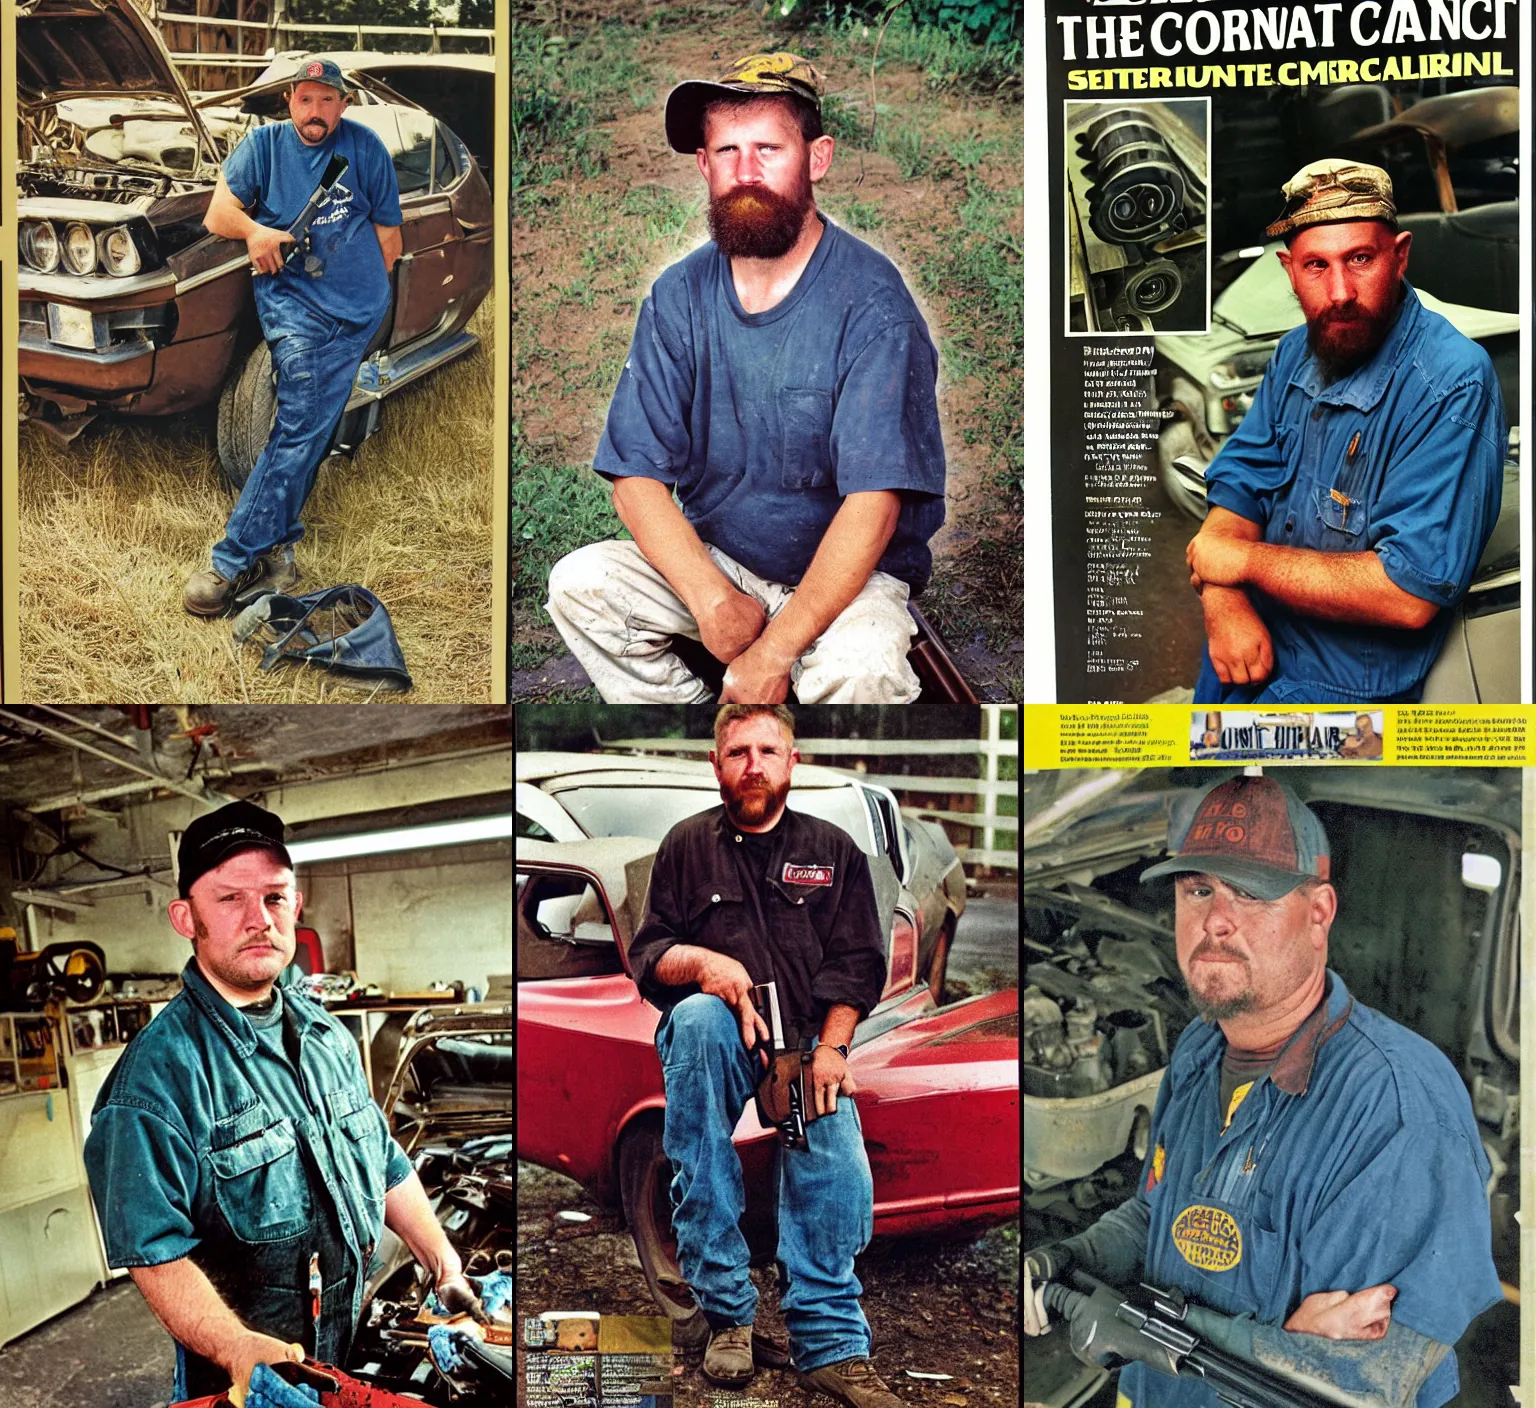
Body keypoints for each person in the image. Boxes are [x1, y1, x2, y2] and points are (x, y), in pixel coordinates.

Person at [1023, 775, 1503, 1408]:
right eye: (1198, 890)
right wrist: (1067, 1259)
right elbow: (1157, 1214)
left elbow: (1377, 1377)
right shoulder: (1200, 1049)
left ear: (1319, 914)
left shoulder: (1394, 1107)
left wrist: (1145, 1332)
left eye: (1252, 893)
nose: (1216, 921)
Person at [545, 53, 947, 704]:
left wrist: (777, 649)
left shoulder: (873, 306)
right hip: (724, 561)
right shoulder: (677, 297)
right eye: (727, 151)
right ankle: (701, 722)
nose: (746, 172)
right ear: (704, 166)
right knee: (581, 585)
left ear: (817, 159)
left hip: (849, 575)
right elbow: (635, 479)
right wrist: (712, 599)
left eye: (768, 148)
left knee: (863, 670)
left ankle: (793, 737)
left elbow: (875, 507)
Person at [82, 801, 486, 1406]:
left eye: (273, 898)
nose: (258, 919)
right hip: (252, 1382)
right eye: (229, 899)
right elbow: (154, 1252)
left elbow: (383, 1162)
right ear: (185, 918)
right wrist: (233, 1346)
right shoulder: (154, 1081)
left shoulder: (325, 1035)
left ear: (295, 908)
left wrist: (444, 1263)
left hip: (349, 1349)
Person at [625, 706, 902, 1407]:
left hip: (808, 1041)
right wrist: (704, 962)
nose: (754, 764)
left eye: (768, 750)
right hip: (719, 1032)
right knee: (696, 1084)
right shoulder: (685, 847)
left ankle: (831, 1346)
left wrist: (833, 1051)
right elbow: (651, 953)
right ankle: (727, 1318)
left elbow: (859, 964)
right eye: (739, 751)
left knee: (836, 1172)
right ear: (716, 765)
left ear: (792, 761)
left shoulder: (834, 849)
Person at [1186, 159, 1505, 705]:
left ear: (1400, 256)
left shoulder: (1451, 380)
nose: (1339, 292)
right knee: (1188, 785)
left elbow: (1408, 592)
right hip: (1243, 653)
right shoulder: (1295, 350)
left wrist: (1238, 563)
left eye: (1360, 259)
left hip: (1345, 702)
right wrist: (1224, 601)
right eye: (1316, 265)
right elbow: (1243, 480)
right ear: (1289, 270)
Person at [185, 58, 404, 618]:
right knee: (302, 425)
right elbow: (217, 214)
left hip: (355, 316)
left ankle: (281, 554)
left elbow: (389, 241)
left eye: (327, 101)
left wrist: (367, 304)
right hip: (293, 309)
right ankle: (231, 562)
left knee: (317, 431)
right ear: (290, 103)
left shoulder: (367, 149)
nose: (315, 111)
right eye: (306, 100)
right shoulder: (263, 148)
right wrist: (256, 231)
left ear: (343, 105)